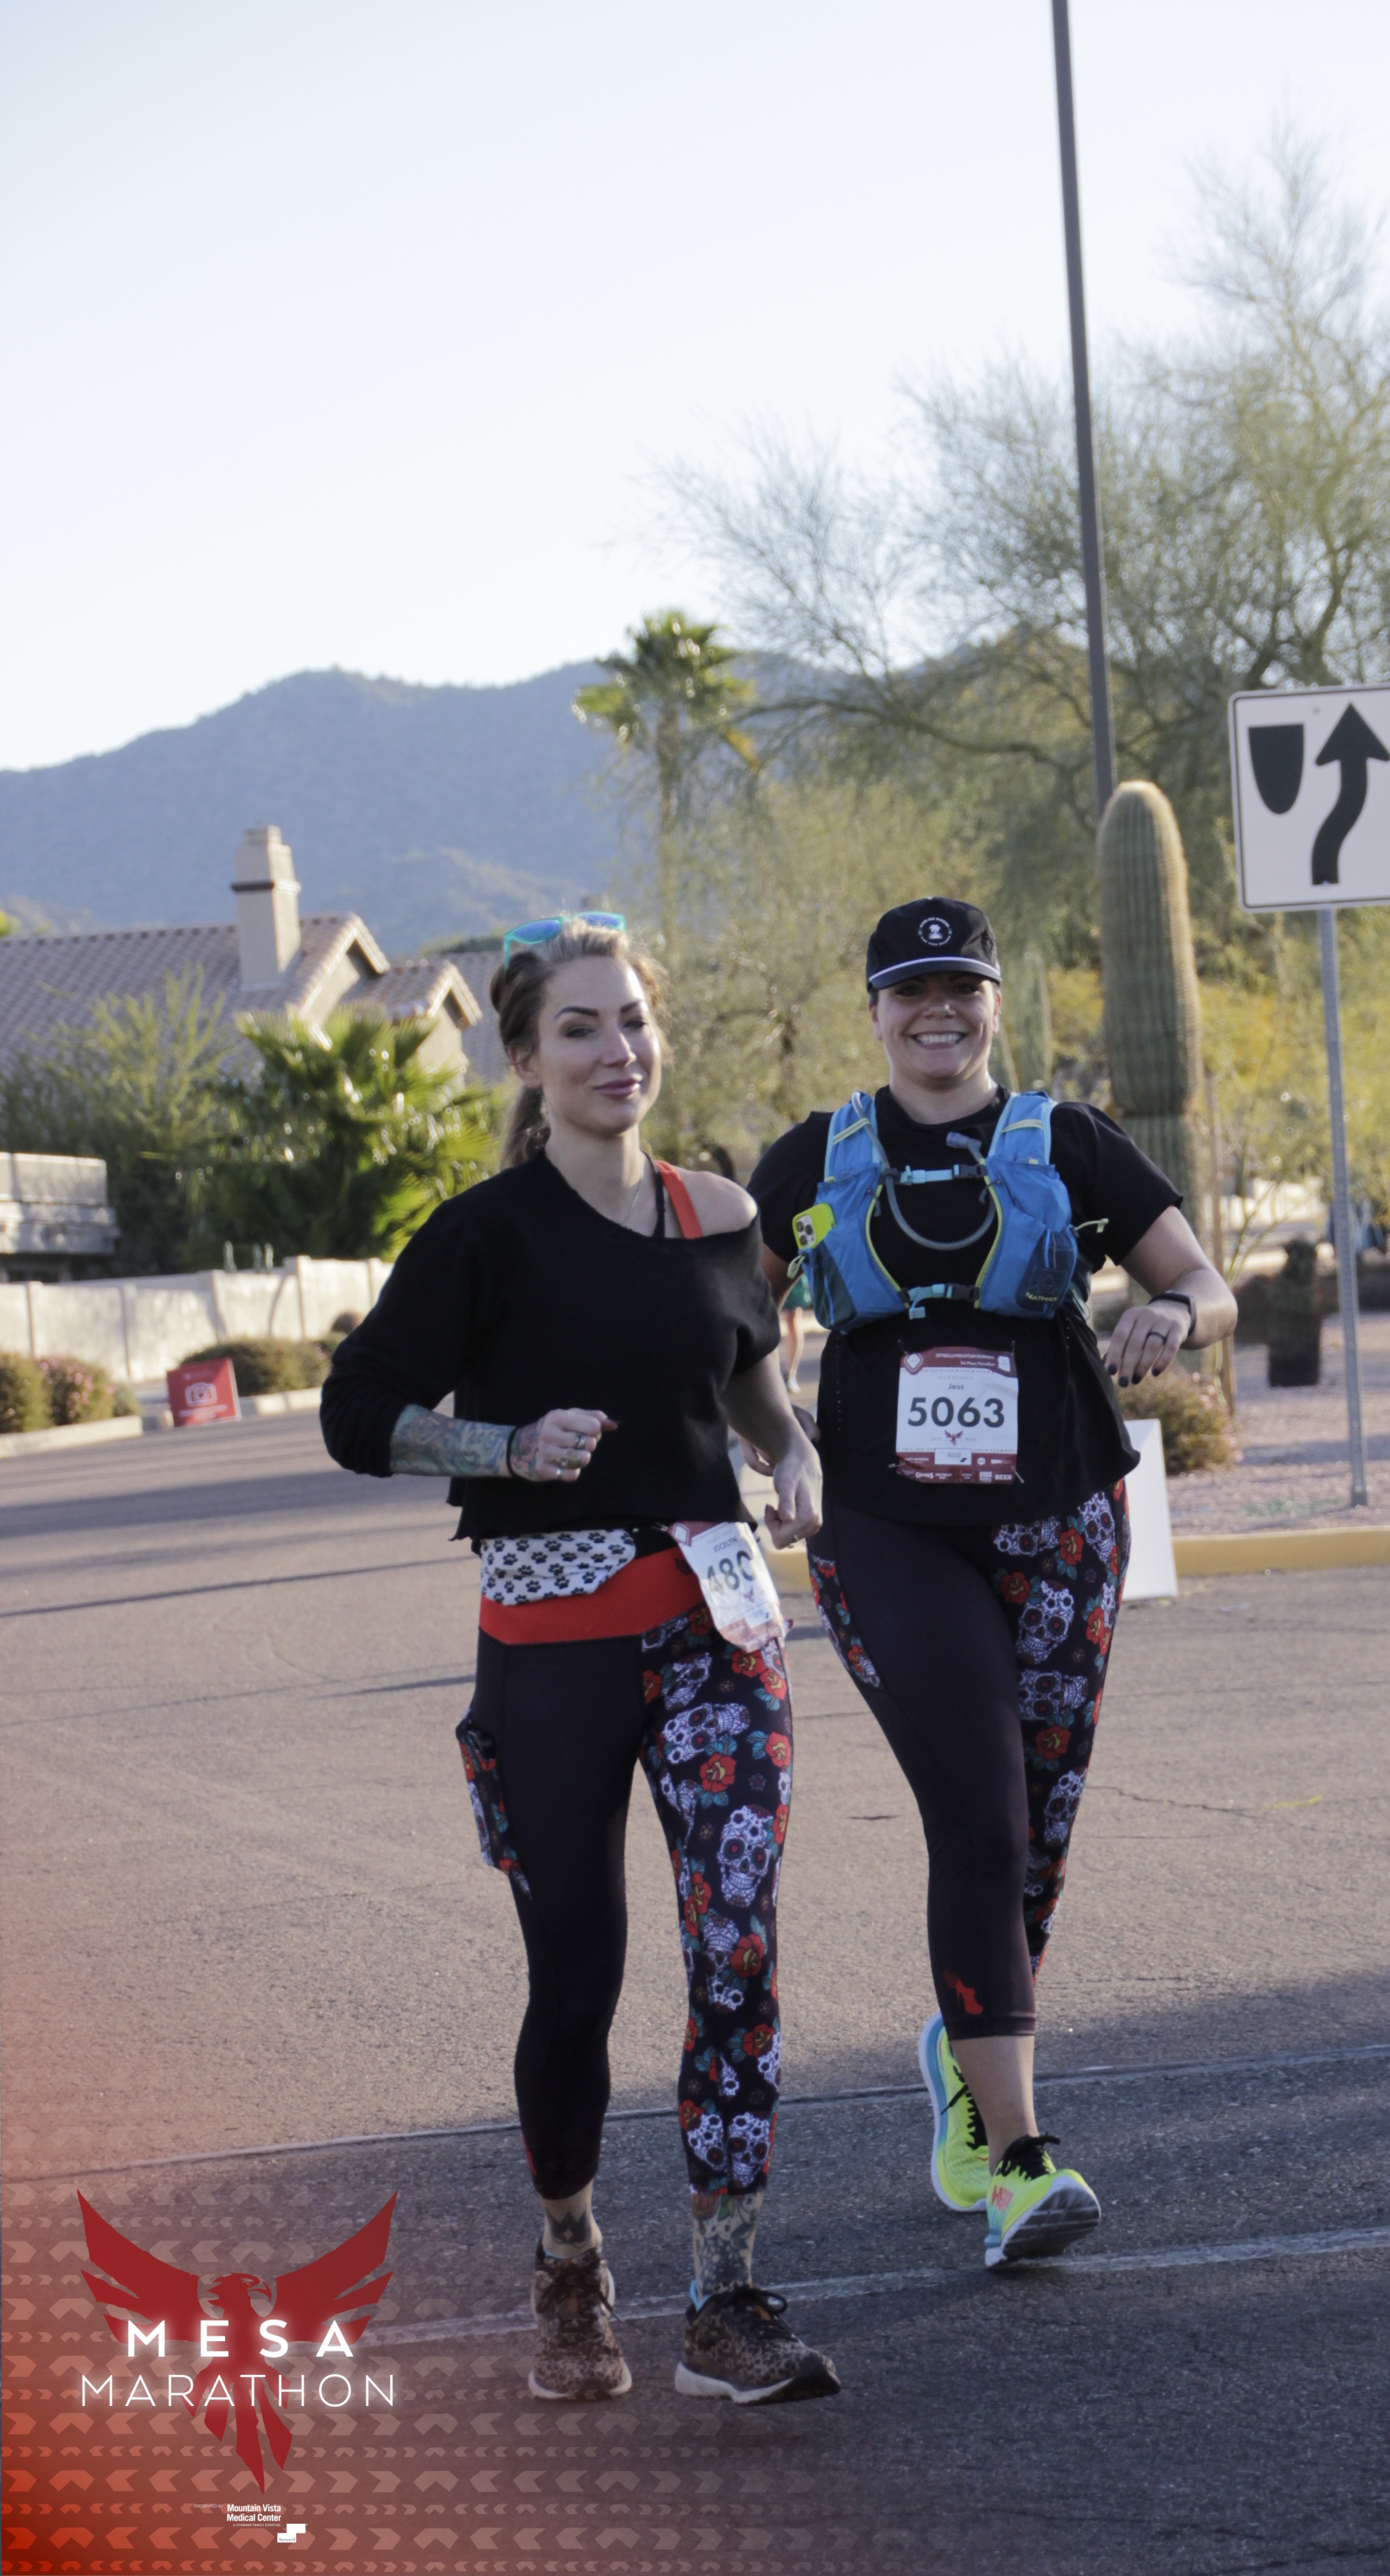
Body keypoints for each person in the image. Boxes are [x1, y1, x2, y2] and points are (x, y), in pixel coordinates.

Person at [321, 917, 839, 2407]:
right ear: (525, 1059)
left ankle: (726, 2299)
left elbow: (749, 1379)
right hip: (549, 1650)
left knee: (737, 1947)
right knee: (578, 1977)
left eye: (634, 1022)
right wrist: (503, 1445)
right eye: (581, 1029)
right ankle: (569, 2254)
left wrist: (794, 1455)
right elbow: (358, 1413)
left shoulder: (720, 1212)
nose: (619, 1052)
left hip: (717, 1638)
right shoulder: (482, 1236)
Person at [748, 897, 1236, 2270]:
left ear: (994, 1004)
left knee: (1038, 1826)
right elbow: (736, 1320)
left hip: (1062, 1515)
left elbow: (1208, 1285)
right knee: (978, 1812)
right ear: (875, 1012)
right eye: (911, 990)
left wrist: (1170, 1309)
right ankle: (1020, 2161)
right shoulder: (815, 1157)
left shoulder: (1069, 1143)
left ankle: (968, 2054)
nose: (938, 1012)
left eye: (960, 987)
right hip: (885, 1525)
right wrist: (778, 1441)